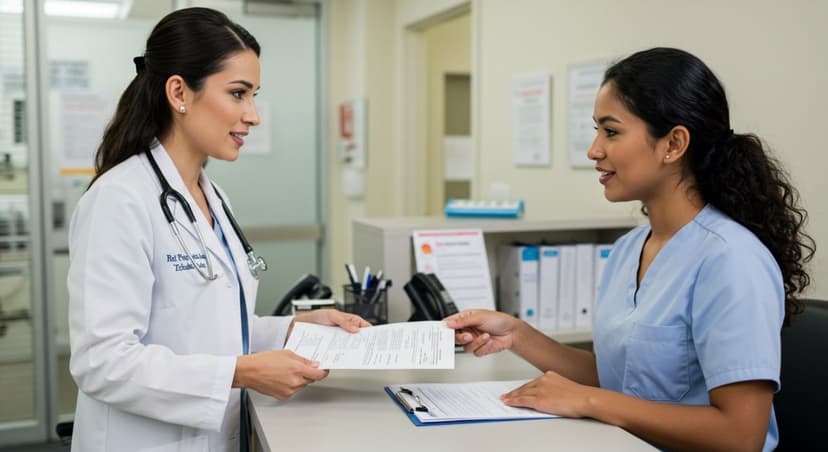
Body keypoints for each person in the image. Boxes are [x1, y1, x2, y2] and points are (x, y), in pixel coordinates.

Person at [445, 47, 814, 451]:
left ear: (673, 143)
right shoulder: (628, 249)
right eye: (596, 131)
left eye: (611, 131)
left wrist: (589, 401)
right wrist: (517, 334)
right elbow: (622, 378)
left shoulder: (731, 260)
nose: (594, 150)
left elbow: (741, 435)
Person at [67, 8, 369, 452]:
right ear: (178, 92)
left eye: (254, 95)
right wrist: (240, 373)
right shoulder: (120, 199)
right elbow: (101, 362)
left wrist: (294, 329)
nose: (253, 115)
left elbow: (215, 328)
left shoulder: (213, 198)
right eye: (238, 93)